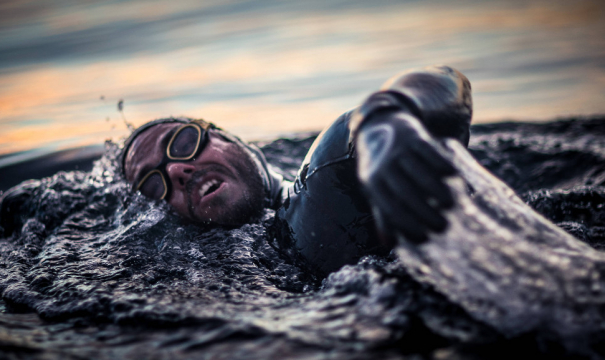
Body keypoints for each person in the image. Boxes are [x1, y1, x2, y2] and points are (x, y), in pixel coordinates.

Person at [121, 65, 472, 276]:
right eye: (154, 184)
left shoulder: (327, 176)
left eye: (183, 143)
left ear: (231, 138)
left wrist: (390, 129)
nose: (179, 170)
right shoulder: (190, 273)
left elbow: (440, 83)